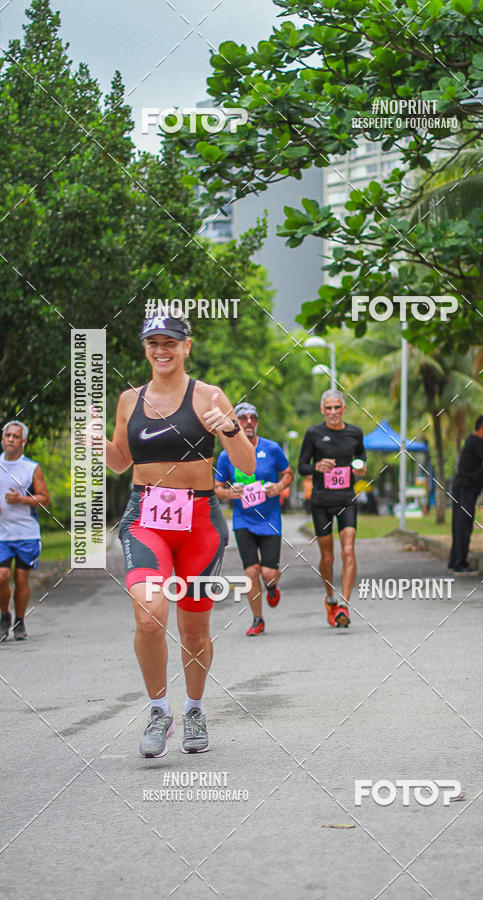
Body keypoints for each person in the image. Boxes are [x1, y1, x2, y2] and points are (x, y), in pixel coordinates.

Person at [100, 312, 255, 758]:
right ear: (145, 348)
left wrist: (226, 428)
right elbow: (120, 461)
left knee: (193, 630)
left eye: (170, 341)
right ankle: (157, 710)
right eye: (153, 342)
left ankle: (193, 710)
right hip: (145, 519)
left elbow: (245, 463)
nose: (161, 349)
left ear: (188, 346)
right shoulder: (129, 399)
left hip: (201, 523)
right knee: (149, 617)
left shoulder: (210, 395)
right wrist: (97, 444)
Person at [214, 402, 293, 636]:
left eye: (253, 418)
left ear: (257, 422)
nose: (249, 422)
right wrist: (230, 493)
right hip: (243, 520)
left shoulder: (272, 448)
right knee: (251, 572)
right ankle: (257, 619)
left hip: (269, 518)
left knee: (268, 573)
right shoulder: (226, 454)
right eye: (243, 418)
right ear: (236, 424)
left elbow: (288, 473)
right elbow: (217, 488)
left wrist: (278, 486)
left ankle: (272, 586)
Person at [298, 390, 367, 628]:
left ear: (344, 408)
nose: (333, 412)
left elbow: (361, 458)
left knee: (348, 550)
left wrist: (360, 468)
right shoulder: (313, 433)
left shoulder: (355, 433)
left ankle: (344, 606)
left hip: (347, 498)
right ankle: (330, 598)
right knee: (327, 557)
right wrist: (317, 467)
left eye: (337, 407)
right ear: (322, 410)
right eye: (328, 408)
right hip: (321, 502)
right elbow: (301, 467)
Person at [0, 421, 50, 642]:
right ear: (3, 439)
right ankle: (4, 616)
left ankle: (19, 621)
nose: (10, 439)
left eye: (15, 436)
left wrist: (20, 499)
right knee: (2, 577)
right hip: (2, 534)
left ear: (23, 441)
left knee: (21, 579)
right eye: (7, 435)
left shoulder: (31, 467)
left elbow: (44, 498)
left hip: (26, 533)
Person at [447, 415, 483, 574]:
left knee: (458, 525)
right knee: (463, 525)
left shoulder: (471, 441)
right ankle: (460, 564)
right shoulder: (477, 442)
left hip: (461, 488)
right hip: (465, 489)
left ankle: (455, 561)